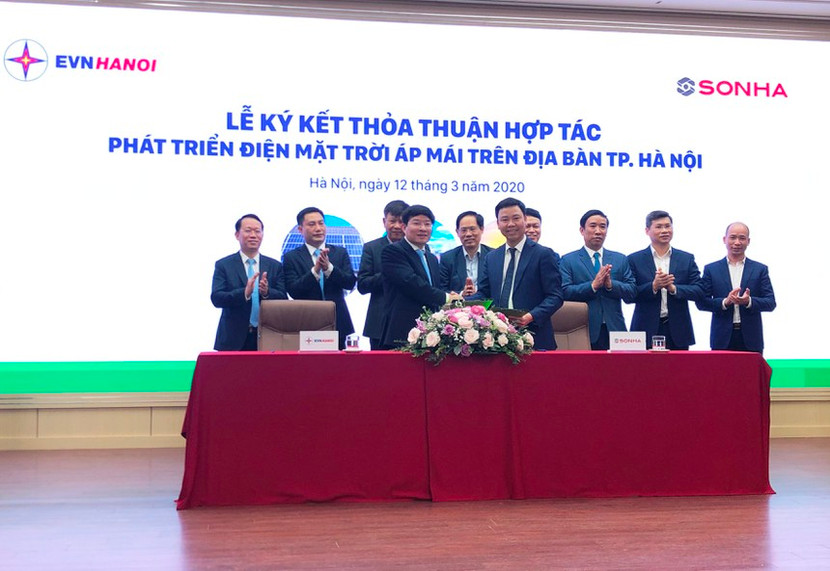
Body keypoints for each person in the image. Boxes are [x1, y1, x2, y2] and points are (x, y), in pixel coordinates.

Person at [474, 198, 563, 350]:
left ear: (525, 219)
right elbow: (484, 293)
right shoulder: (492, 257)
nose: (510, 224)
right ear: (498, 224)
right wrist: (459, 301)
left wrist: (531, 316)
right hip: (498, 339)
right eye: (504, 219)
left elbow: (555, 296)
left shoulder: (543, 254)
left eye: (516, 218)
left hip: (535, 337)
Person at [380, 205, 461, 348]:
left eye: (427, 224)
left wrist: (453, 296)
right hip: (402, 331)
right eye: (417, 223)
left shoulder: (431, 258)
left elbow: (434, 289)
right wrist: (446, 297)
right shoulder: (393, 252)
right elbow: (411, 283)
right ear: (404, 227)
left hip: (431, 334)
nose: (423, 228)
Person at [560, 209, 637, 350]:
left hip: (615, 330)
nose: (598, 231)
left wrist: (610, 285)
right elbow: (564, 292)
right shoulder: (568, 260)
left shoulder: (620, 259)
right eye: (593, 226)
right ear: (582, 230)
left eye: (602, 227)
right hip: (582, 330)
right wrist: (593, 286)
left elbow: (632, 292)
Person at [627, 210, 703, 350]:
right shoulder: (634, 259)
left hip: (678, 330)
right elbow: (628, 295)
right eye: (659, 227)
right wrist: (654, 286)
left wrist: (674, 289)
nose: (664, 230)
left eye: (668, 226)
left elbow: (699, 290)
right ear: (647, 231)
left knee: (679, 365)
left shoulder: (686, 258)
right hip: (645, 329)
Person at [283, 207, 356, 349]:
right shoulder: (291, 257)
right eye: (312, 224)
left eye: (321, 223)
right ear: (300, 229)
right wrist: (315, 271)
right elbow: (293, 290)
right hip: (306, 323)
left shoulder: (340, 252)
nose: (318, 228)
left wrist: (329, 268)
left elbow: (350, 283)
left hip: (338, 322)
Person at [696, 222, 776, 352]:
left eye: (742, 238)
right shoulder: (711, 269)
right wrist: (725, 302)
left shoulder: (760, 269)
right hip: (721, 338)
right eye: (733, 237)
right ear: (724, 239)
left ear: (748, 241)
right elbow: (701, 303)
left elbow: (770, 303)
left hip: (751, 339)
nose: (737, 242)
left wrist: (748, 302)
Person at [211, 214, 287, 351]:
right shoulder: (224, 265)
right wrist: (244, 293)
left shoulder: (275, 266)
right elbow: (217, 298)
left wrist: (266, 293)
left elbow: (283, 298)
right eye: (248, 231)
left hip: (268, 336)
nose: (253, 235)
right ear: (237, 235)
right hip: (233, 338)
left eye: (257, 231)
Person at [357, 200, 409, 350]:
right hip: (379, 325)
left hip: (411, 323)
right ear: (384, 222)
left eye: (401, 221)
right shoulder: (371, 248)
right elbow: (362, 285)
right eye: (392, 221)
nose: (397, 226)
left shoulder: (419, 248)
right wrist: (389, 273)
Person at [438, 210, 492, 296]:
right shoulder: (447, 258)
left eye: (472, 229)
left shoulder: (492, 256)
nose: (468, 234)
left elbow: (497, 287)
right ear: (457, 232)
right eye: (464, 230)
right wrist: (461, 294)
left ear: (481, 229)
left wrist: (478, 292)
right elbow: (441, 290)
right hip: (458, 304)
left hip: (487, 303)